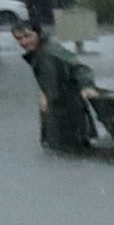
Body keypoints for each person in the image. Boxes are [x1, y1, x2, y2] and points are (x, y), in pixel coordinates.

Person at [16, 18, 98, 152]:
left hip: (68, 113)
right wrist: (44, 92)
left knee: (71, 153)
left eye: (27, 36)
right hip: (56, 110)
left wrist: (87, 86)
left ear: (38, 33)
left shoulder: (51, 51)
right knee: (59, 152)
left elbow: (80, 68)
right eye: (19, 39)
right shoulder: (39, 51)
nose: (23, 42)